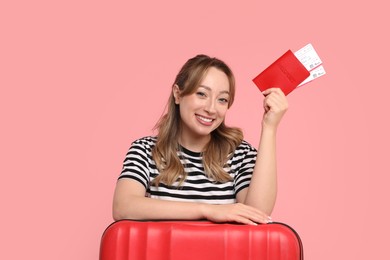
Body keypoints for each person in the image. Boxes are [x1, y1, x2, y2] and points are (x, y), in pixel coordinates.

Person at [112, 54, 288, 225]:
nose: (211, 108)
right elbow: (123, 207)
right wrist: (209, 210)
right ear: (178, 94)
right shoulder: (145, 150)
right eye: (202, 94)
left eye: (222, 99)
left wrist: (269, 128)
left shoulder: (240, 154)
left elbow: (257, 213)